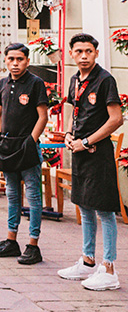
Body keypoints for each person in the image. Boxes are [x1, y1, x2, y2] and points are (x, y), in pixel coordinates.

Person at [57, 34, 123, 290]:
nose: (83, 56)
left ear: (96, 53)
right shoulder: (75, 80)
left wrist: (87, 141)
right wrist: (69, 135)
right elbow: (75, 111)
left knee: (104, 210)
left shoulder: (105, 80)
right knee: (84, 205)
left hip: (98, 153)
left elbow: (116, 119)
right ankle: (87, 262)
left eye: (88, 51)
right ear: (71, 54)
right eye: (78, 51)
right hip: (80, 151)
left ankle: (109, 269)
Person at [0, 43, 49, 264]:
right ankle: (11, 240)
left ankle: (33, 244)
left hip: (27, 148)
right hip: (7, 147)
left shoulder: (35, 83)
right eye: (11, 59)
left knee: (33, 197)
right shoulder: (2, 84)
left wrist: (31, 141)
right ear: (5, 60)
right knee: (12, 195)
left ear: (27, 60)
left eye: (20, 59)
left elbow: (42, 116)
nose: (15, 63)